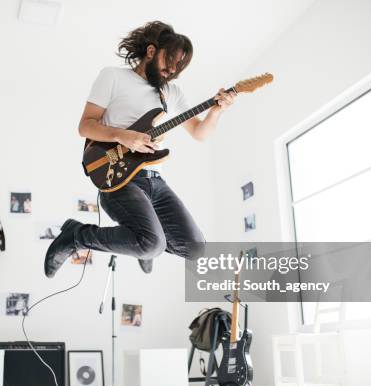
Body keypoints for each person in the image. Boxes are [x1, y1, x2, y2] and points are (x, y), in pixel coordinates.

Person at [45, 21, 236, 277]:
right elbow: (85, 126)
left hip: (155, 181)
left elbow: (200, 133)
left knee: (196, 249)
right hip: (119, 179)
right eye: (169, 60)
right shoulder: (112, 76)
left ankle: (142, 244)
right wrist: (122, 136)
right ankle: (77, 235)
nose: (172, 70)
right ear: (150, 51)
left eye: (179, 65)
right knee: (152, 244)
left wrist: (217, 110)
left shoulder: (172, 92)